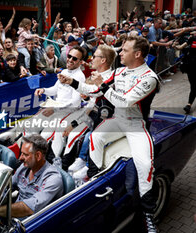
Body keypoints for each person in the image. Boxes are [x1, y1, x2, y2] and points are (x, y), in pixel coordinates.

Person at [61, 36, 159, 232]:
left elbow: (124, 101)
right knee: (95, 137)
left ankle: (149, 216)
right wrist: (72, 82)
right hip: (117, 121)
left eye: (124, 50)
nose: (120, 53)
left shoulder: (150, 78)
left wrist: (103, 87)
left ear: (137, 54)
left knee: (145, 166)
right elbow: (95, 91)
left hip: (136, 126)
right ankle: (94, 179)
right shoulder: (120, 71)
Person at [64, 45, 116, 178]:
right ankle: (80, 161)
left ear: (103, 60)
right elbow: (90, 106)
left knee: (91, 137)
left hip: (112, 124)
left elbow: (95, 91)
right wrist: (74, 124)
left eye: (94, 56)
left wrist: (72, 82)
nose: (91, 59)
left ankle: (87, 167)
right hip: (97, 121)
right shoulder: (97, 76)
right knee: (84, 135)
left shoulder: (109, 78)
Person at [31, 46, 86, 160]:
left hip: (67, 113)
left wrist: (54, 110)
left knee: (47, 135)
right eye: (69, 56)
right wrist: (44, 90)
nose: (70, 60)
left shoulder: (79, 77)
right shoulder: (65, 71)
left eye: (74, 58)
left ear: (80, 62)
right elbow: (56, 89)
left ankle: (54, 161)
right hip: (56, 108)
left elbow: (75, 103)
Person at [0, 134, 63, 218]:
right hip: (13, 216)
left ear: (38, 156)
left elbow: (29, 208)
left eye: (25, 154)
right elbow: (7, 185)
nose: (20, 158)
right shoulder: (24, 167)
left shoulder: (52, 178)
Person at [174, 32, 196, 113]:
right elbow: (180, 47)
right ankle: (189, 104)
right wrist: (174, 46)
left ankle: (189, 104)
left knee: (194, 87)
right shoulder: (192, 39)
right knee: (193, 85)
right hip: (191, 66)